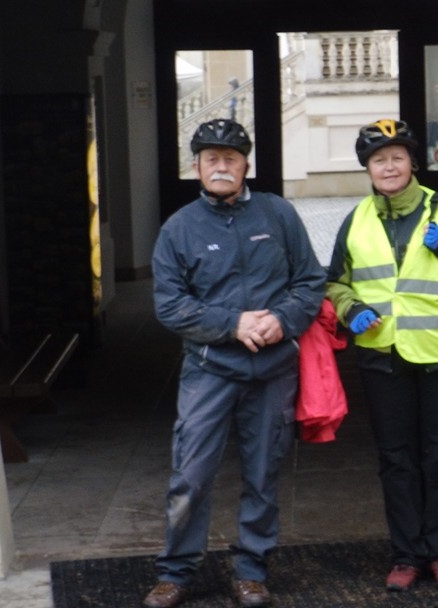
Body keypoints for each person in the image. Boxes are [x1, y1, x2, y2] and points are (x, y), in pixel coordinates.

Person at [143, 119, 326, 608]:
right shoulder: (179, 228)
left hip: (273, 369)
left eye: (230, 158)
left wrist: (283, 320)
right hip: (209, 370)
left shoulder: (278, 214)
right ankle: (176, 572)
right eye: (211, 159)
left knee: (263, 475)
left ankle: (251, 571)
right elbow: (170, 306)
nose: (221, 166)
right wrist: (233, 324)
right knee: (190, 476)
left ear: (246, 165)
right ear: (196, 167)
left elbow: (310, 282)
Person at [326, 119, 438, 592]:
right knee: (396, 458)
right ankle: (405, 555)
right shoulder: (356, 219)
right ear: (368, 169)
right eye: (379, 160)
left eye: (397, 157)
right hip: (382, 357)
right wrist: (351, 309)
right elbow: (335, 282)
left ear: (413, 163)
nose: (389, 167)